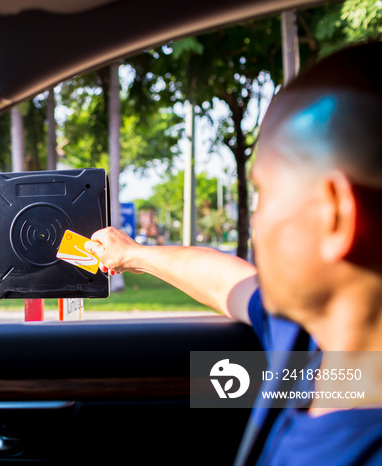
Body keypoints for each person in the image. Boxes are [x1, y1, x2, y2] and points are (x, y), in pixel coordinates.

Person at [87, 42, 382, 465]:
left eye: (265, 192)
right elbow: (229, 280)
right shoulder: (309, 339)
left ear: (335, 214)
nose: (255, 221)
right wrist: (133, 254)